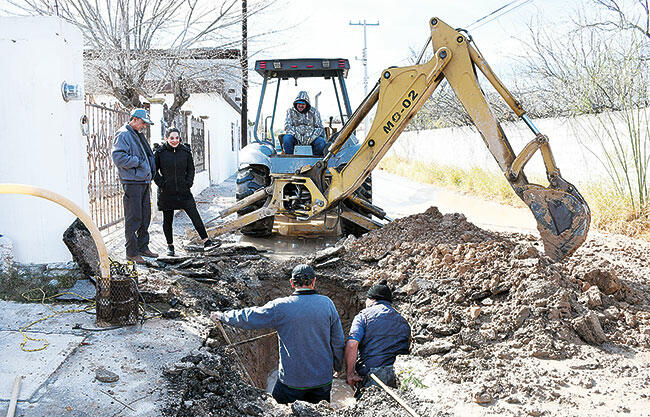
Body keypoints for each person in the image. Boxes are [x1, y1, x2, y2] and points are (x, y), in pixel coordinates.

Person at [210, 264, 345, 404]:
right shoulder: (327, 304)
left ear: (292, 283)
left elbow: (250, 317)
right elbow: (338, 341)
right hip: (321, 381)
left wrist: (224, 316)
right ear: (314, 281)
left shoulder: (280, 306)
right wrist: (338, 366)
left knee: (276, 409)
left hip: (291, 382)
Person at [153, 128, 214, 256]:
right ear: (166, 138)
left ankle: (206, 241)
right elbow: (154, 171)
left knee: (194, 214)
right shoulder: (160, 152)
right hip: (166, 191)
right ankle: (170, 246)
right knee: (167, 220)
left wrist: (188, 183)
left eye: (177, 138)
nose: (175, 141)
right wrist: (161, 184)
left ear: (180, 138)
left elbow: (191, 169)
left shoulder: (185, 151)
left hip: (183, 190)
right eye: (171, 138)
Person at [345, 280, 411, 391]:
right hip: (399, 374)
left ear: (372, 299)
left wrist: (350, 374)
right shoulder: (403, 321)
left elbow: (352, 344)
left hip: (373, 375)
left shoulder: (363, 316)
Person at [111, 108, 158, 264]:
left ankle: (143, 247)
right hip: (132, 182)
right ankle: (131, 252)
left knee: (145, 216)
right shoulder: (123, 134)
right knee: (134, 218)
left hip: (143, 181)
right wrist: (138, 162)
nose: (144, 126)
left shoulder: (136, 134)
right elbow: (118, 157)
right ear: (135, 119)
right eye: (143, 122)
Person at [283, 91, 327, 156]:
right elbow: (288, 126)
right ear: (296, 103)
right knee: (287, 138)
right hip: (296, 138)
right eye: (299, 103)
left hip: (312, 139)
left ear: (306, 104)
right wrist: (298, 136)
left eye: (303, 104)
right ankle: (290, 158)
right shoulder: (290, 111)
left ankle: (316, 161)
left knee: (321, 142)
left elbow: (319, 127)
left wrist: (310, 138)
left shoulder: (314, 112)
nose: (300, 105)